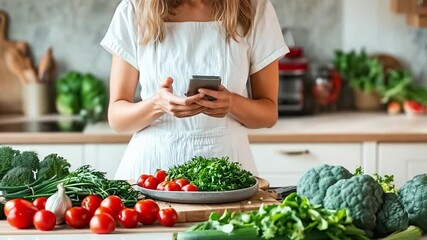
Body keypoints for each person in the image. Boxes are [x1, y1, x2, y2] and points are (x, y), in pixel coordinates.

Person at [100, 0, 289, 180]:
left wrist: (232, 103)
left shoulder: (254, 9)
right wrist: (158, 105)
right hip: (152, 171)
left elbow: (268, 114)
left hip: (227, 171)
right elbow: (117, 118)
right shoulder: (134, 9)